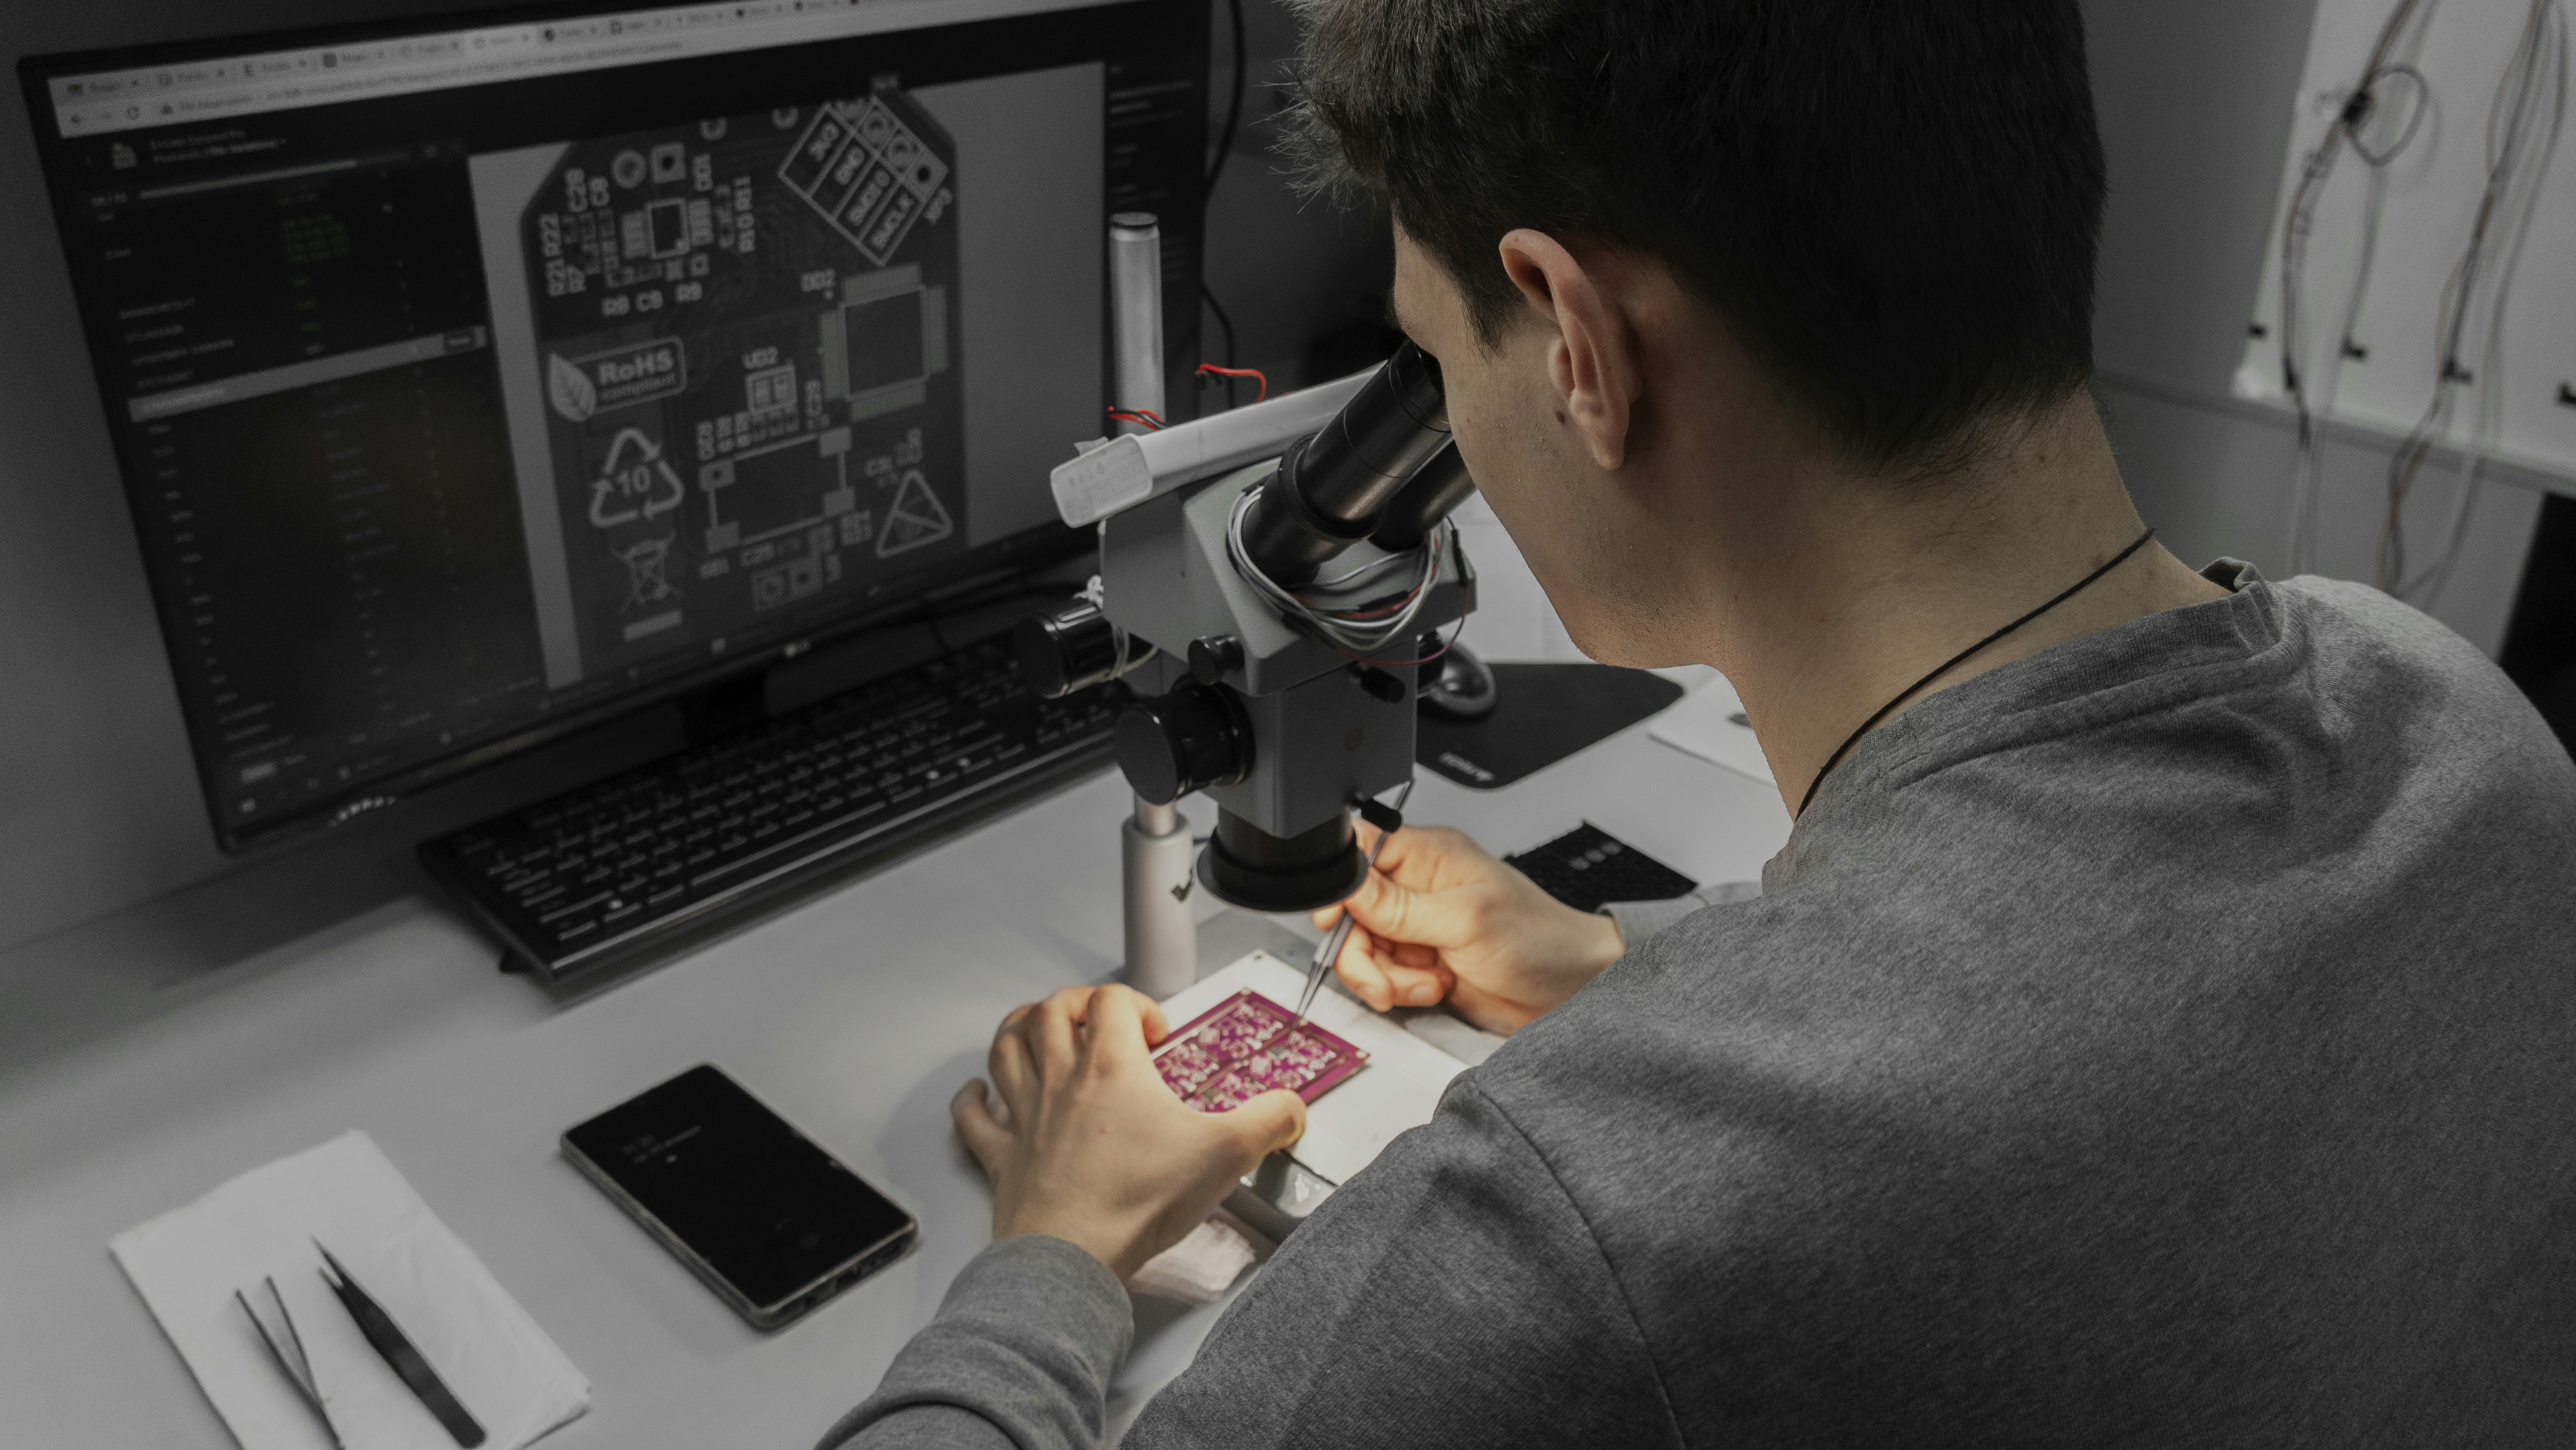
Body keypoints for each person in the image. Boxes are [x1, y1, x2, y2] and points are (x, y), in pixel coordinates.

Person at [825, 1, 2576, 1444]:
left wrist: (1053, 1245)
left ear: (1578, 347)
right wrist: (1643, 969)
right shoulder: (2462, 726)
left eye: (1436, 361)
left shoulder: (1598, 1209)